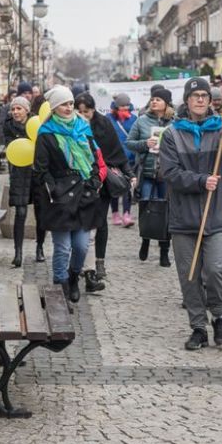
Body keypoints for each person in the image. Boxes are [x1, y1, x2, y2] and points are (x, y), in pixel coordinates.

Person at [159, 77, 222, 351]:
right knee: (190, 275)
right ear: (186, 100)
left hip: (217, 215)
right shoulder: (172, 134)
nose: (200, 99)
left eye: (204, 95)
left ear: (210, 101)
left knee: (217, 269)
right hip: (184, 219)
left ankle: (218, 314)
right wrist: (200, 181)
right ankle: (198, 326)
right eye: (195, 95)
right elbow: (169, 173)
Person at [35, 85, 102, 303]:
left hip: (83, 194)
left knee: (81, 246)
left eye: (70, 103)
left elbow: (93, 157)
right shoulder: (46, 134)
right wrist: (54, 189)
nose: (68, 107)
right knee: (62, 248)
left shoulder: (83, 127)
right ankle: (60, 288)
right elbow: (41, 168)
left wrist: (93, 182)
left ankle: (74, 278)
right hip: (60, 199)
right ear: (54, 107)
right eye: (64, 104)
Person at [74, 92, 127, 292]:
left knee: (100, 221)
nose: (82, 115)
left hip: (102, 180)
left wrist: (125, 173)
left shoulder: (103, 125)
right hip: (79, 182)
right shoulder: (72, 125)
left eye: (85, 112)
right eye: (78, 111)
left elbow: (116, 151)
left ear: (93, 110)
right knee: (81, 222)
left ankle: (99, 261)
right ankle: (81, 263)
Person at [125, 86, 175, 267]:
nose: (154, 101)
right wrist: (145, 144)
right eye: (153, 99)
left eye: (158, 99)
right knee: (146, 207)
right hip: (146, 173)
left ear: (166, 104)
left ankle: (164, 251)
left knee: (166, 212)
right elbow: (129, 143)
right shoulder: (141, 121)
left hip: (166, 175)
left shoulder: (174, 122)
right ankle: (145, 240)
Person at [3, 96, 47, 267]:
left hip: (37, 172)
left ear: (27, 110)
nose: (15, 112)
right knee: (20, 214)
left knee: (41, 213)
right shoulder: (8, 126)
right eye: (13, 109)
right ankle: (18, 253)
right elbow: (10, 148)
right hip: (19, 173)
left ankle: (40, 248)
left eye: (19, 108)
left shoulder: (38, 124)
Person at [108, 93, 137, 228]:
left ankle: (126, 213)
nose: (124, 107)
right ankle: (115, 213)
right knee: (114, 186)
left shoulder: (134, 119)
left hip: (129, 158)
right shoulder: (109, 119)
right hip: (113, 158)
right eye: (122, 105)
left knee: (127, 187)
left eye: (126, 105)